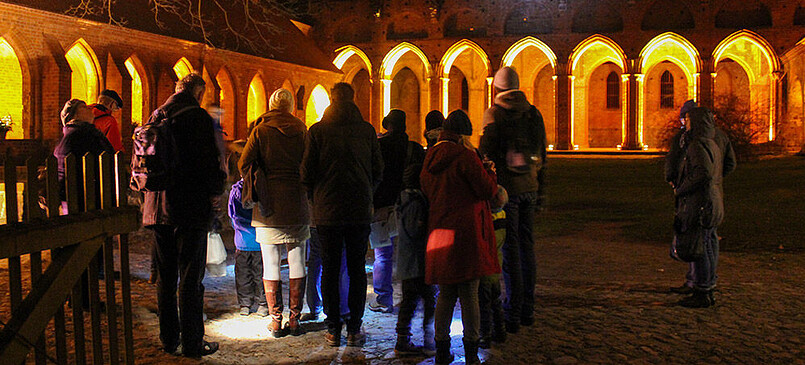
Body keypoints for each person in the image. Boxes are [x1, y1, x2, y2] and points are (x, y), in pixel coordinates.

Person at [141, 73, 226, 358]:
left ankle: (168, 339)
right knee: (191, 278)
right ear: (198, 92)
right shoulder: (197, 117)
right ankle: (191, 341)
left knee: (166, 278)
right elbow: (207, 162)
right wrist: (216, 191)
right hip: (188, 208)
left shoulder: (156, 114)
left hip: (157, 207)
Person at [300, 82, 383, 347]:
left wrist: (316, 196)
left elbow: (306, 172)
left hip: (327, 211)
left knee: (330, 267)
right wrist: (367, 190)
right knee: (357, 269)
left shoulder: (318, 131)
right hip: (359, 209)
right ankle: (355, 328)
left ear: (331, 101)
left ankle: (333, 327)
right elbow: (378, 169)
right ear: (353, 99)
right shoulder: (367, 131)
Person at [421, 110, 499, 364]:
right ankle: (471, 353)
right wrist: (491, 171)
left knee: (445, 293)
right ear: (463, 136)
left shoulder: (430, 156)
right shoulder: (466, 157)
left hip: (440, 230)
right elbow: (486, 190)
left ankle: (442, 349)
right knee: (469, 294)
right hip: (466, 232)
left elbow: (427, 188)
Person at [479, 66, 547, 333]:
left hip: (508, 192)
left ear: (496, 88)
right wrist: (541, 189)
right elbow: (542, 152)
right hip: (530, 186)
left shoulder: (494, 114)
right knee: (527, 250)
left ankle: (512, 312)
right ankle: (528, 309)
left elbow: (486, 156)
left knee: (510, 251)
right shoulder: (533, 113)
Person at [239, 88, 310, 337]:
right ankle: (295, 319)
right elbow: (310, 163)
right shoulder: (302, 130)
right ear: (290, 107)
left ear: (271, 105)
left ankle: (275, 320)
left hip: (268, 204)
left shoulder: (260, 130)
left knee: (270, 263)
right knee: (297, 261)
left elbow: (243, 163)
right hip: (297, 201)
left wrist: (258, 179)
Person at [666, 100, 736, 295]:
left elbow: (700, 172)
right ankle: (702, 281)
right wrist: (716, 181)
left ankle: (702, 285)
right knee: (708, 240)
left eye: (686, 120)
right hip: (713, 196)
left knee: (700, 241)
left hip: (700, 199)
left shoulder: (696, 142)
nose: (684, 124)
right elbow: (729, 164)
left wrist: (680, 187)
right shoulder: (717, 137)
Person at [369, 109, 426, 314]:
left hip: (382, 206)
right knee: (409, 253)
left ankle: (384, 298)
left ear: (388, 125)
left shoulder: (379, 145)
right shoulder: (414, 148)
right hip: (409, 206)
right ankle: (411, 297)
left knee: (383, 255)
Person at [393, 131, 435, 355]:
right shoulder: (415, 202)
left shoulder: (405, 199)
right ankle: (423, 340)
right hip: (416, 263)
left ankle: (410, 338)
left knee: (414, 302)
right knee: (421, 301)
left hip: (410, 263)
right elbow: (414, 230)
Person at [54, 99, 115, 213]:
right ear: (75, 115)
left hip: (76, 201)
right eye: (84, 107)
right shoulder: (83, 135)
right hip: (90, 200)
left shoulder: (70, 136)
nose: (90, 109)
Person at [228, 178, 268, 317]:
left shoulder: (235, 191)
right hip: (260, 239)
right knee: (261, 274)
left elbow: (231, 214)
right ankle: (263, 304)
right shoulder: (262, 188)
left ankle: (245, 304)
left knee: (243, 275)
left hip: (242, 240)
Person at [478, 185, 508, 349]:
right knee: (496, 303)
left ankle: (485, 336)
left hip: (485, 271)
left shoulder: (487, 221)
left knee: (483, 305)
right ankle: (500, 331)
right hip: (496, 269)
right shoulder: (502, 217)